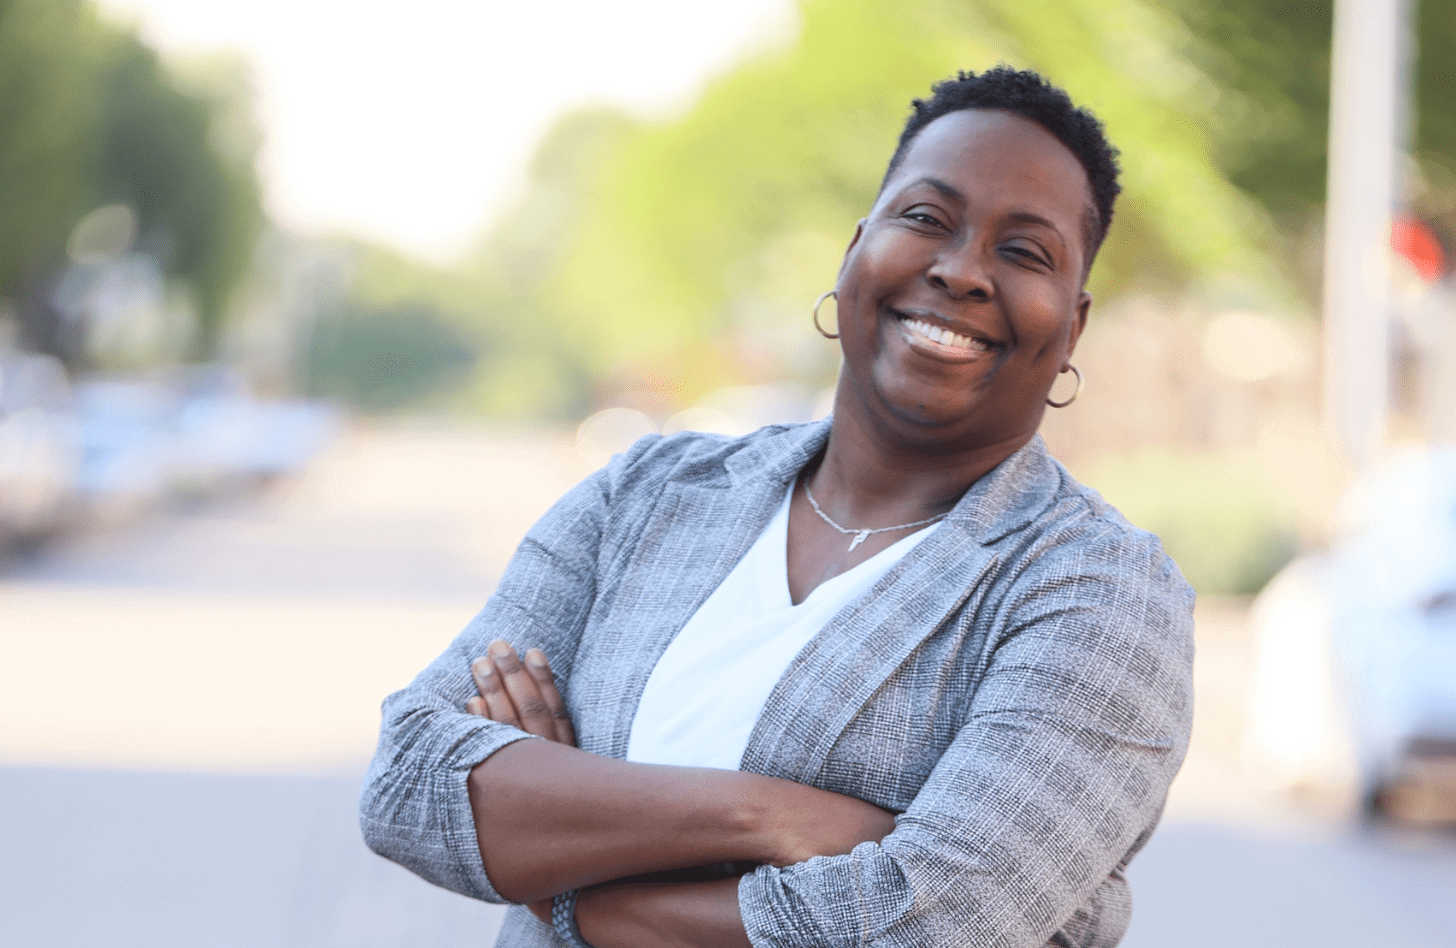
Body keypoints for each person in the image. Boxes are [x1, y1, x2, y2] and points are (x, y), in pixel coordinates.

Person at [360, 66, 1195, 948]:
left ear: (1072, 325)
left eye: (1024, 252)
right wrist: (762, 817)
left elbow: (934, 922)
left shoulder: (1098, 590)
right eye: (924, 219)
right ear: (853, 253)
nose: (961, 271)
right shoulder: (648, 493)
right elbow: (410, 783)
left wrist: (565, 869)